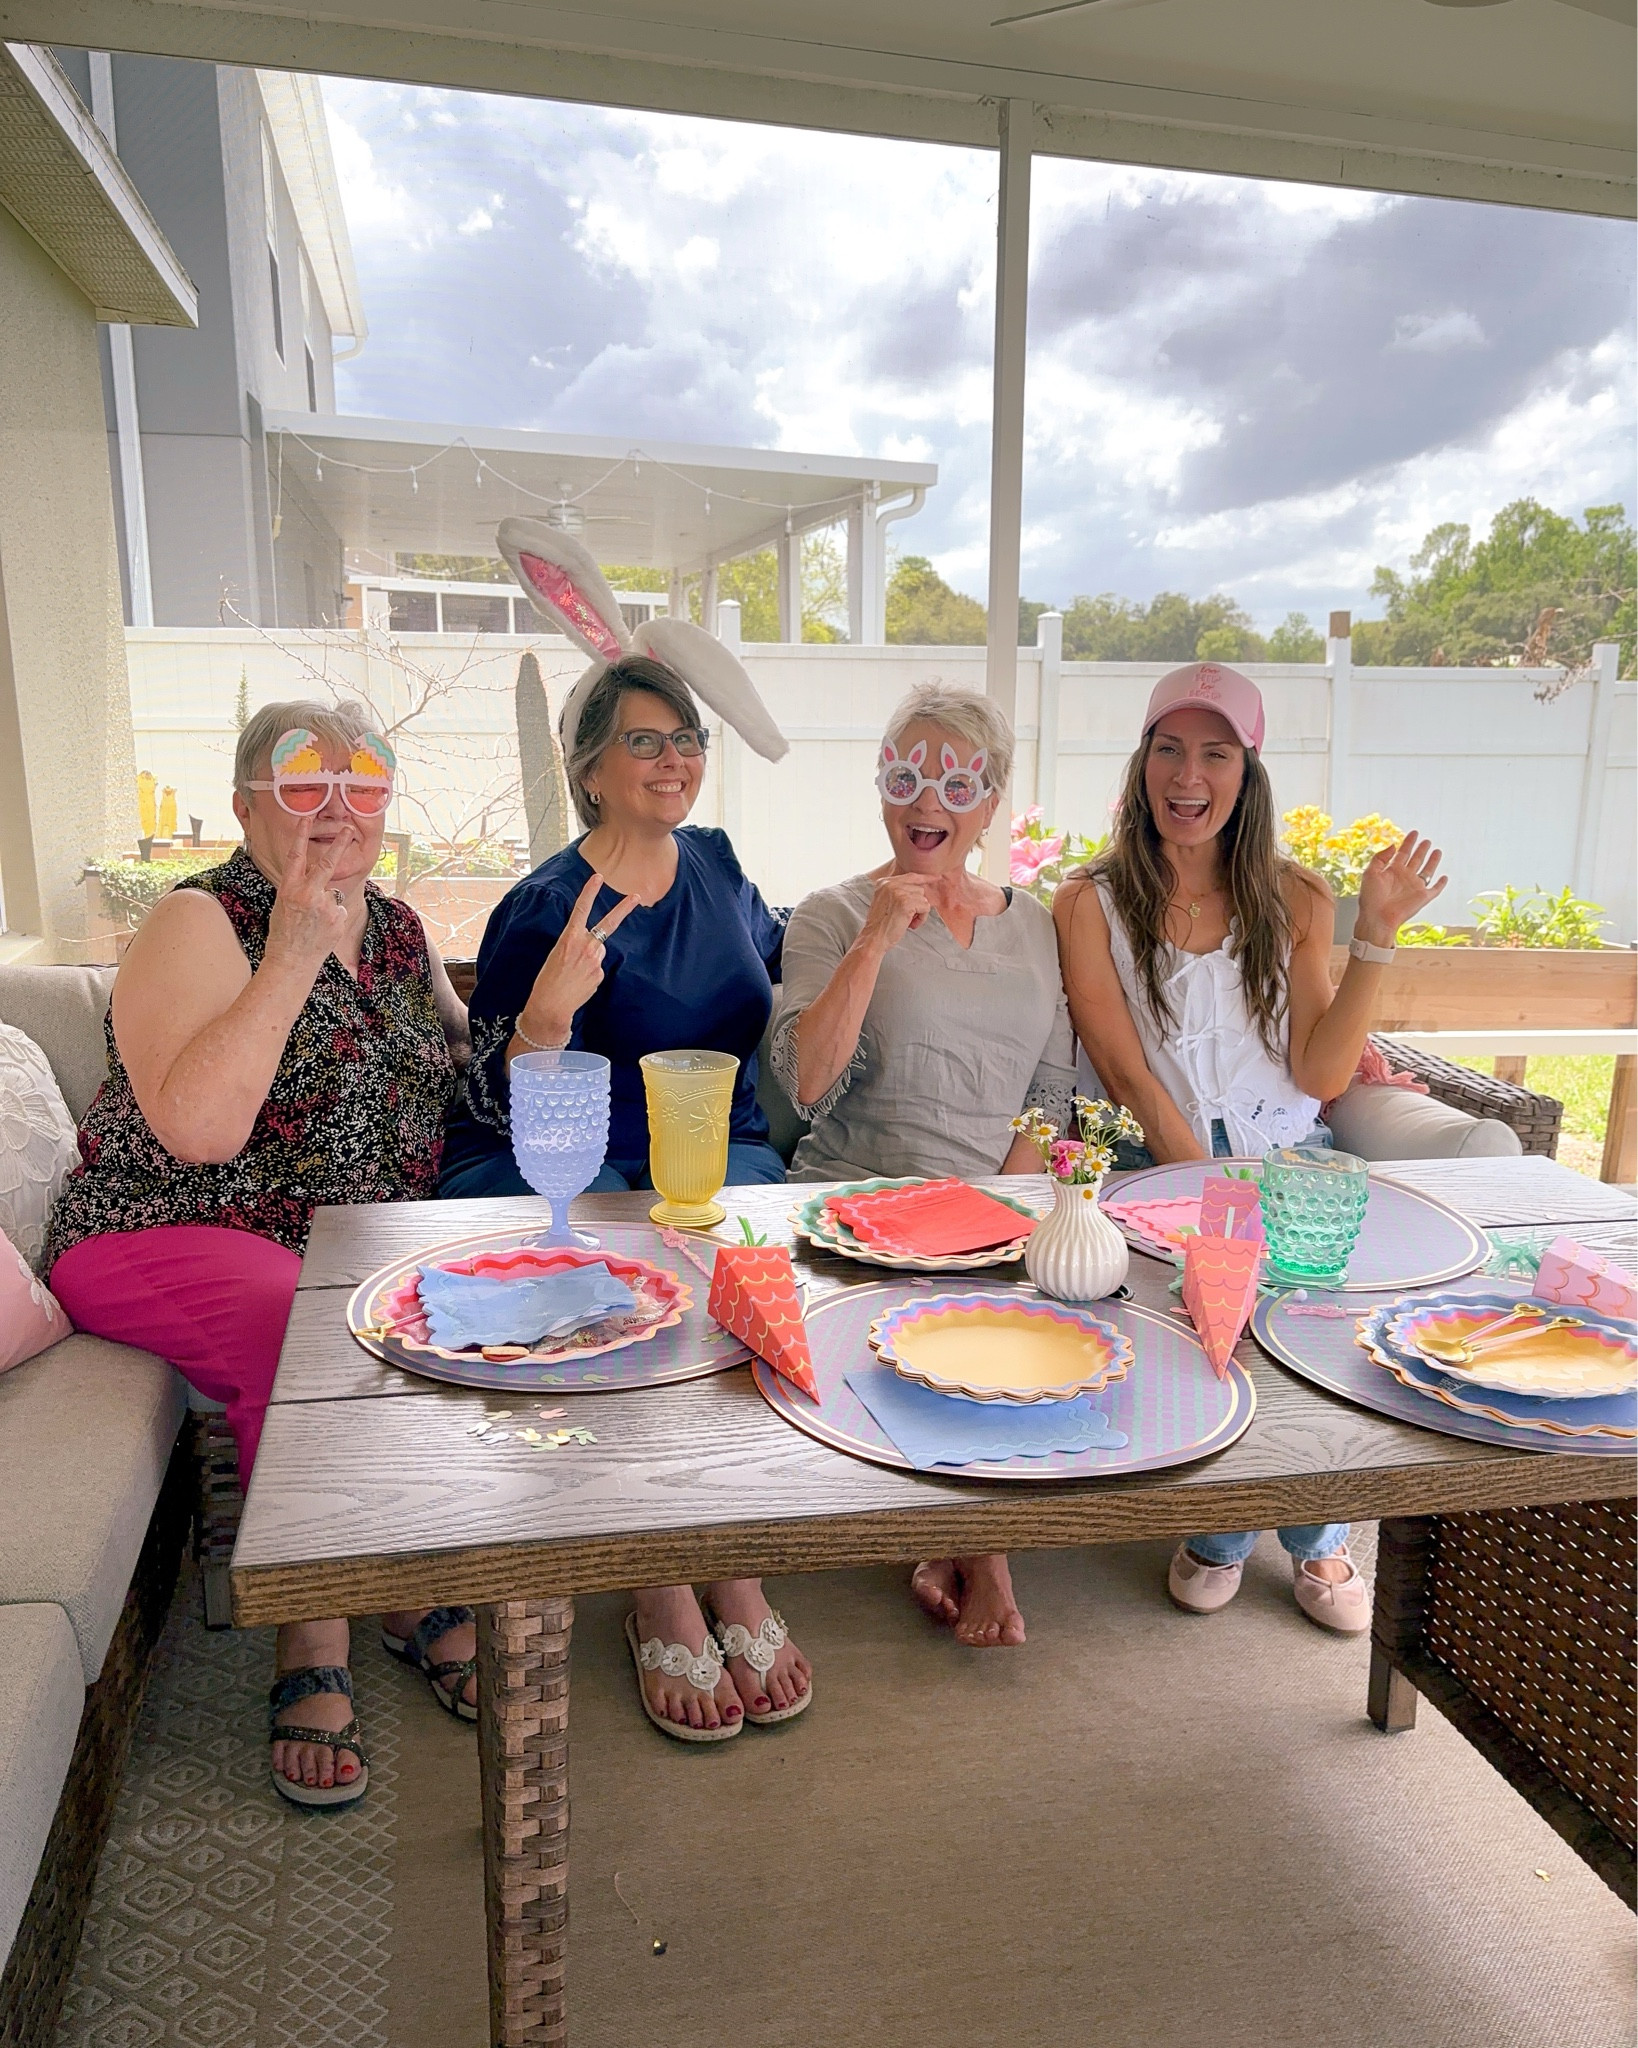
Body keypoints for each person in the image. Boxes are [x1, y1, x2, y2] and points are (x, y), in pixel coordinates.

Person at [47, 701, 474, 1807]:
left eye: (363, 781)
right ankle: (311, 1623)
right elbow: (198, 1128)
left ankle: (391, 1579)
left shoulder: (398, 934)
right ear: (244, 805)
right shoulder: (200, 919)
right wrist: (287, 955)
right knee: (309, 1315)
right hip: (164, 1230)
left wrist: (553, 1029)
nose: (337, 807)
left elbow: (455, 1074)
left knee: (416, 1300)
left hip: (345, 1244)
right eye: (301, 783)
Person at [446, 519, 810, 1742]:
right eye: (643, 740)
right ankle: (659, 1572)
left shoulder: (717, 862)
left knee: (743, 1265)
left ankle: (728, 1554)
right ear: (590, 765)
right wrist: (547, 1008)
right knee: (634, 1283)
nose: (675, 758)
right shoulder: (545, 902)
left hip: (727, 1152)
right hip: (580, 1164)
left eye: (688, 737)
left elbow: (774, 975)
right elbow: (494, 1096)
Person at [1052, 661, 1447, 1632]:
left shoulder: (1299, 897)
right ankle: (1238, 1530)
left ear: (1247, 771)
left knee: (1322, 1333)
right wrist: (1213, 1195)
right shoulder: (1090, 902)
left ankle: (1305, 1535)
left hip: (1289, 1158)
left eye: (1215, 753)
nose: (1189, 774)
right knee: (1214, 1328)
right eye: (1171, 749)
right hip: (1165, 1165)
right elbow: (1124, 1067)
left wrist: (1380, 935)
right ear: (1145, 764)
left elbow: (1320, 1071)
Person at [773, 681, 1077, 1650]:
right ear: (881, 787)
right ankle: (980, 1542)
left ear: (992, 802)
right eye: (906, 775)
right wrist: (873, 939)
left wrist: (1006, 1219)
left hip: (994, 1211)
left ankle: (957, 1526)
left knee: (1025, 1300)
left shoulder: (1037, 924)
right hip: (851, 1204)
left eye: (956, 781)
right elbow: (806, 1084)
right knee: (932, 1324)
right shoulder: (829, 913)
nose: (926, 802)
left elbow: (1052, 1094)